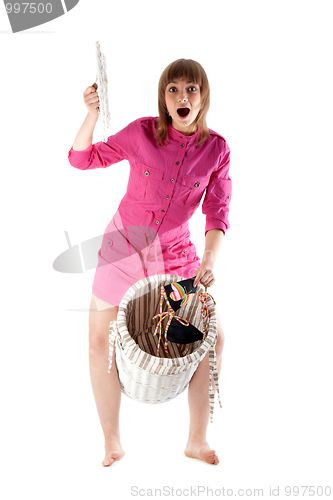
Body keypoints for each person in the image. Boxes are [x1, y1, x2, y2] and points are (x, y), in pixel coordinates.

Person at [68, 58, 232, 467]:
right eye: (173, 89)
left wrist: (209, 259)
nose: (182, 96)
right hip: (121, 248)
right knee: (97, 342)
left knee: (213, 338)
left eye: (190, 89)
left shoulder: (217, 150)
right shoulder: (142, 132)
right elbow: (82, 159)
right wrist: (91, 115)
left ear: (203, 97)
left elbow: (218, 213)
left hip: (176, 259)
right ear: (163, 97)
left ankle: (197, 439)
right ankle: (112, 441)